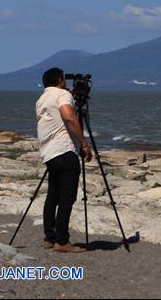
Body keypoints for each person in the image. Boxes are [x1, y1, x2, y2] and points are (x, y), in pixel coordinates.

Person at [36, 67, 92, 253]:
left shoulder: (42, 98)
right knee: (67, 197)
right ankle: (62, 241)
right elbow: (68, 116)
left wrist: (68, 94)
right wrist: (83, 143)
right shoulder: (62, 95)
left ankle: (49, 238)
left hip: (48, 153)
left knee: (53, 195)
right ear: (60, 80)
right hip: (64, 150)